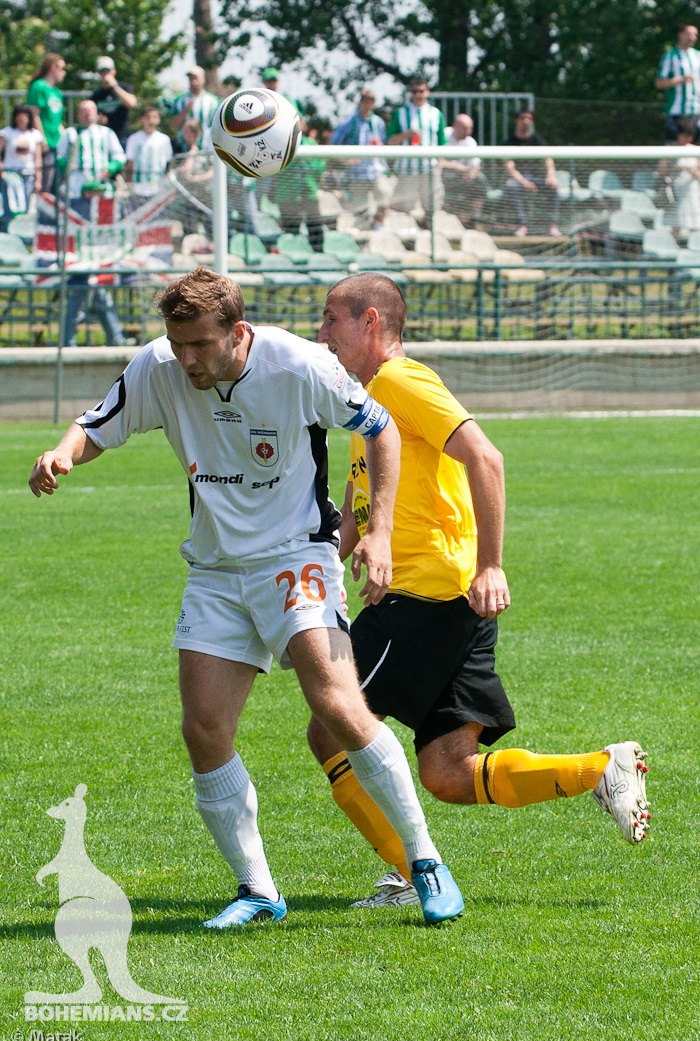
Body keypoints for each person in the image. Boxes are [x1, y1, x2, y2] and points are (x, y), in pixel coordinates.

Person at [28, 267, 464, 929]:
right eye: (179, 345)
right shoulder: (161, 365)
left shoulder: (299, 365)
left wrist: (376, 532)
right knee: (203, 726)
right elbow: (100, 423)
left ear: (238, 331)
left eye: (201, 344)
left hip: (298, 554)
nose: (188, 359)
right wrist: (63, 451)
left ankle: (425, 859)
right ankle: (258, 889)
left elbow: (381, 428)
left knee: (335, 702)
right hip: (216, 569)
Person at [305, 273, 651, 908]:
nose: (321, 333)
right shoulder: (366, 399)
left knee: (331, 731)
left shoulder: (400, 382)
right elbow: (360, 503)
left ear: (372, 323)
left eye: (332, 319)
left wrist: (491, 565)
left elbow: (484, 457)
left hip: (425, 596)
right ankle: (601, 770)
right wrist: (331, 550)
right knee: (446, 772)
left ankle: (412, 877)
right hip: (447, 602)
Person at [56, 99, 126, 347]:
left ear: (97, 114)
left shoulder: (106, 134)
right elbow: (61, 160)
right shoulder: (70, 134)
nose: (87, 115)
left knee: (90, 283)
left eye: (91, 111)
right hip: (77, 201)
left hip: (102, 206)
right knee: (85, 282)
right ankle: (112, 336)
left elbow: (119, 157)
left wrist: (107, 170)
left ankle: (71, 338)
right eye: (83, 111)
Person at [386, 77, 445, 228]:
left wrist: (440, 163)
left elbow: (442, 143)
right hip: (407, 169)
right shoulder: (400, 113)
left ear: (427, 92)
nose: (418, 94)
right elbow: (390, 141)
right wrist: (405, 135)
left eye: (421, 91)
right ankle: (407, 242)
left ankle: (430, 240)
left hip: (429, 168)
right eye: (414, 91)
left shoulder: (436, 114)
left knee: (432, 207)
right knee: (404, 208)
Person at [330, 88, 390, 228]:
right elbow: (333, 144)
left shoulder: (378, 122)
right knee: (361, 208)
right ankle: (364, 237)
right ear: (360, 103)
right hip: (357, 174)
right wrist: (346, 159)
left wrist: (380, 146)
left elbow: (383, 143)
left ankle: (377, 225)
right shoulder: (349, 122)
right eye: (366, 101)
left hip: (375, 170)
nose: (368, 105)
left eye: (371, 102)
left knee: (385, 195)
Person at [503, 109, 561, 237]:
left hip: (536, 179)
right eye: (523, 118)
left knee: (553, 187)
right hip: (518, 181)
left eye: (529, 118)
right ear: (516, 121)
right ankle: (522, 226)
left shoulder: (537, 140)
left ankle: (553, 226)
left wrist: (551, 176)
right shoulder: (509, 143)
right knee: (511, 187)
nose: (526, 121)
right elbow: (509, 168)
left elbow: (548, 159)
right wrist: (524, 183)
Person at [273, 117, 326, 252]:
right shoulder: (281, 144)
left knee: (316, 227)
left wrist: (305, 164)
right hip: (287, 195)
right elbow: (275, 169)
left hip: (309, 193)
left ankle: (318, 255)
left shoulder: (311, 144)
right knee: (291, 232)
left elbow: (320, 166)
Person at [26, 52, 66, 193]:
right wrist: (42, 140)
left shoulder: (56, 91)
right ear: (52, 67)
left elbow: (57, 120)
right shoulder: (39, 87)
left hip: (57, 142)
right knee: (45, 185)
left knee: (58, 185)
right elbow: (34, 115)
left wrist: (65, 139)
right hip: (45, 143)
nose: (64, 72)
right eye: (61, 68)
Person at [655, 24, 700, 144]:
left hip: (696, 112)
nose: (693, 37)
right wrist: (681, 79)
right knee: (673, 151)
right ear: (681, 34)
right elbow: (659, 83)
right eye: (689, 34)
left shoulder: (698, 56)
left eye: (695, 34)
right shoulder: (670, 56)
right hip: (677, 112)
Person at [441, 113, 488, 229]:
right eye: (466, 128)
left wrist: (472, 173)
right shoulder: (442, 135)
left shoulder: (470, 142)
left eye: (471, 128)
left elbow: (475, 165)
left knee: (478, 184)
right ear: (455, 126)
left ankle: (475, 219)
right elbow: (439, 162)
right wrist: (461, 169)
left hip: (462, 180)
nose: (469, 131)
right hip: (442, 179)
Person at [0, 103, 45, 221]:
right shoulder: (7, 132)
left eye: (25, 115)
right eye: (19, 115)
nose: (22, 118)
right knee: (10, 206)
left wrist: (38, 179)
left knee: (25, 206)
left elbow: (38, 158)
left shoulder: (34, 134)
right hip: (10, 173)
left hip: (28, 174)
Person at [124, 105, 173, 197]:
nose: (151, 121)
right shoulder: (134, 139)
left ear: (158, 119)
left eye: (154, 117)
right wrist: (128, 185)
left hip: (158, 188)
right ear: (141, 119)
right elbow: (130, 163)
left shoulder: (164, 139)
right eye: (148, 117)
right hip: (138, 188)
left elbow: (168, 164)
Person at [91, 56, 138, 149]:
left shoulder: (124, 87)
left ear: (113, 70)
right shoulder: (97, 94)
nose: (105, 74)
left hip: (122, 136)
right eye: (102, 71)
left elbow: (132, 103)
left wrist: (114, 87)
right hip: (104, 137)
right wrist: (98, 120)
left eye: (107, 70)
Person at [169, 66, 219, 152]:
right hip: (183, 150)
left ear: (204, 79)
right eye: (190, 78)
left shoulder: (214, 101)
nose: (193, 80)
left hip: (207, 150)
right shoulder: (179, 100)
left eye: (196, 77)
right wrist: (185, 111)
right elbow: (172, 126)